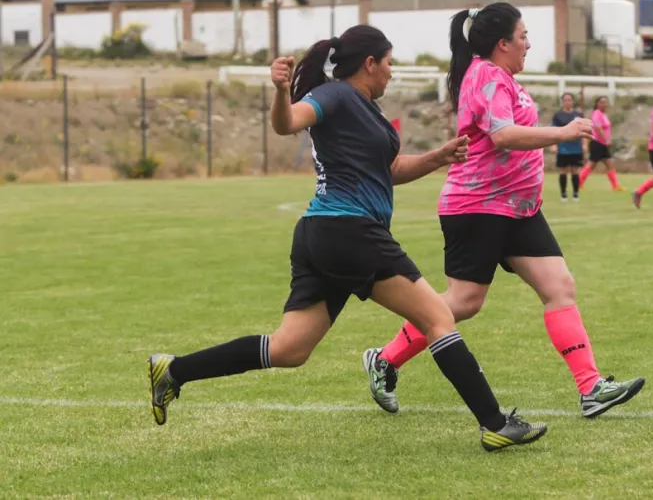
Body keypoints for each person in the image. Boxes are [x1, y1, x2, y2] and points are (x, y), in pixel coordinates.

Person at [147, 25, 547, 453]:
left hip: (326, 234)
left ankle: (174, 370)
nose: (392, 73)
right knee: (438, 318)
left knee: (289, 348)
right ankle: (494, 423)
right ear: (370, 63)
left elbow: (389, 171)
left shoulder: (368, 109)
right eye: (389, 63)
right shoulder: (336, 95)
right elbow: (288, 123)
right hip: (350, 231)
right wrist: (281, 92)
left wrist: (438, 157)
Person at [362, 3, 645, 420]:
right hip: (478, 207)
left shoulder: (503, 77)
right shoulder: (487, 75)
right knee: (463, 302)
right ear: (502, 43)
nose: (528, 44)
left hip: (520, 208)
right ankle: (384, 359)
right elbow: (503, 135)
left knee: (559, 286)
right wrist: (562, 132)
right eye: (523, 36)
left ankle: (591, 388)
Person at [577, 96, 625, 192]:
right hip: (597, 143)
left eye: (606, 102)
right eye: (602, 102)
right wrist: (606, 140)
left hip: (603, 144)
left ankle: (615, 186)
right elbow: (598, 129)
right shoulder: (596, 114)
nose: (604, 104)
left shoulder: (604, 114)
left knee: (609, 164)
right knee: (591, 164)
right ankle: (578, 184)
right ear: (597, 104)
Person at [551, 92, 585, 202]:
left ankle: (576, 193)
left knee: (575, 170)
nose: (568, 102)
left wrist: (584, 144)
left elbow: (583, 130)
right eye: (565, 100)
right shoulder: (558, 115)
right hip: (563, 148)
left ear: (573, 101)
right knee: (563, 171)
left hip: (576, 148)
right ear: (562, 102)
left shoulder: (579, 115)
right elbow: (553, 130)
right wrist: (554, 145)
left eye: (569, 99)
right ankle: (563, 194)